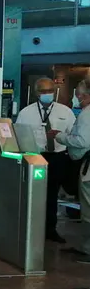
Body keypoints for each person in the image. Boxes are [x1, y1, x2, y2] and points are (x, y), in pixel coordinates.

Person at [18, 78, 75, 244]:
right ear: (37, 93)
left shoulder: (65, 112)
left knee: (52, 194)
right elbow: (20, 135)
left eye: (50, 91)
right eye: (43, 92)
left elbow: (73, 134)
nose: (47, 94)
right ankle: (32, 228)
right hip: (36, 156)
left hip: (58, 157)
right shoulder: (26, 113)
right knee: (33, 194)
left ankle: (50, 229)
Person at [50, 80, 90, 261]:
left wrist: (59, 136)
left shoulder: (87, 115)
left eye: (80, 95)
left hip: (88, 166)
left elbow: (82, 142)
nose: (78, 98)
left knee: (88, 209)